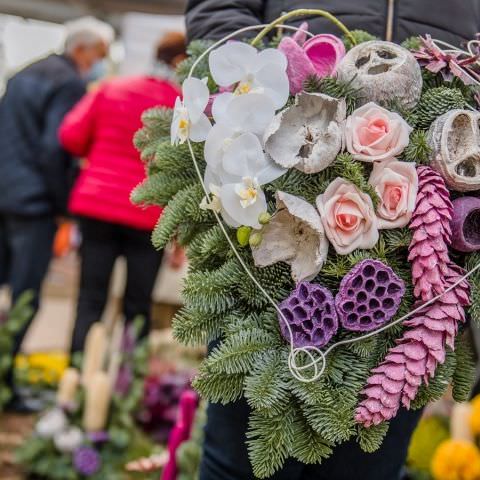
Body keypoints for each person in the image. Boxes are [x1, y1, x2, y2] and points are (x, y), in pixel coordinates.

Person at [184, 2, 480, 479]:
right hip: (280, 173)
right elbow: (219, 9)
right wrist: (265, 92)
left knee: (370, 466)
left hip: (436, 214)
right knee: (239, 461)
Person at [0, 16, 114, 411]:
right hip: (34, 204)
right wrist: (66, 208)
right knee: (25, 295)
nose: (100, 62)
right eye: (100, 54)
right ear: (82, 49)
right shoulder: (68, 83)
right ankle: (4, 384)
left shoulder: (22, 75)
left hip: (4, 194)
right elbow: (55, 149)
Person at [59, 33, 185, 354]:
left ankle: (75, 387)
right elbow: (187, 173)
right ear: (182, 61)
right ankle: (129, 391)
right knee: (138, 306)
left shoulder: (112, 88)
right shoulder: (181, 105)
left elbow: (71, 136)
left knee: (90, 298)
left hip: (97, 206)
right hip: (147, 216)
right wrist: (180, 236)